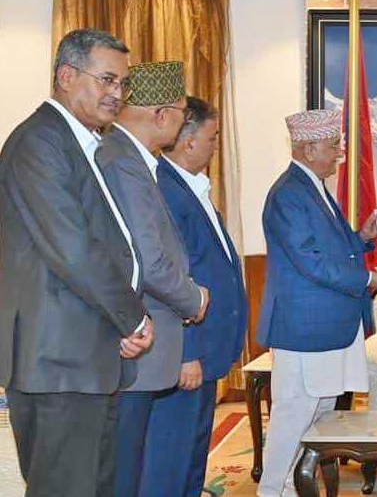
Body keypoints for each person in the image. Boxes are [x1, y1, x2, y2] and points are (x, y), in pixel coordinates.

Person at [0, 28, 154, 497]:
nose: (117, 94)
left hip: (84, 355)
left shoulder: (78, 142)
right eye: (107, 80)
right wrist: (132, 318)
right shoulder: (39, 142)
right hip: (57, 360)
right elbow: (74, 249)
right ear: (67, 76)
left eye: (122, 83)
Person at [255, 109, 377, 497]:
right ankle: (272, 491)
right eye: (334, 145)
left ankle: (290, 488)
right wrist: (367, 279)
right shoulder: (288, 194)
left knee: (316, 417)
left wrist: (362, 237)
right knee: (292, 417)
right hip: (305, 329)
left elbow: (332, 248)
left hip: (327, 327)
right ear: (310, 147)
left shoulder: (311, 186)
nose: (339, 153)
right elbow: (310, 260)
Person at [95, 61, 210, 497]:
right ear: (161, 115)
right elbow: (149, 261)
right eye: (182, 113)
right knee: (124, 477)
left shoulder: (132, 160)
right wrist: (194, 299)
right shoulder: (122, 162)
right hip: (134, 348)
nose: (183, 123)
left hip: (142, 349)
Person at [138, 96, 248, 497]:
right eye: (212, 137)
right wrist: (187, 352)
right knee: (170, 461)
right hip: (185, 353)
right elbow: (169, 277)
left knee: (193, 458)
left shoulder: (191, 186)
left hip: (204, 350)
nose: (215, 146)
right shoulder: (166, 190)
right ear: (188, 140)